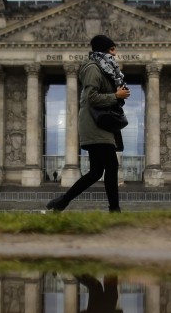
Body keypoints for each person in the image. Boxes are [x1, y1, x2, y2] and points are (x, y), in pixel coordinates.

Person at [46, 35, 129, 213]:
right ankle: (114, 210)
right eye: (113, 50)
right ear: (104, 51)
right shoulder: (93, 67)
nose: (115, 53)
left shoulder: (104, 68)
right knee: (111, 167)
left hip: (101, 124)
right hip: (95, 125)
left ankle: (61, 202)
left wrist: (118, 95)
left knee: (96, 171)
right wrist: (116, 96)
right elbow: (92, 98)